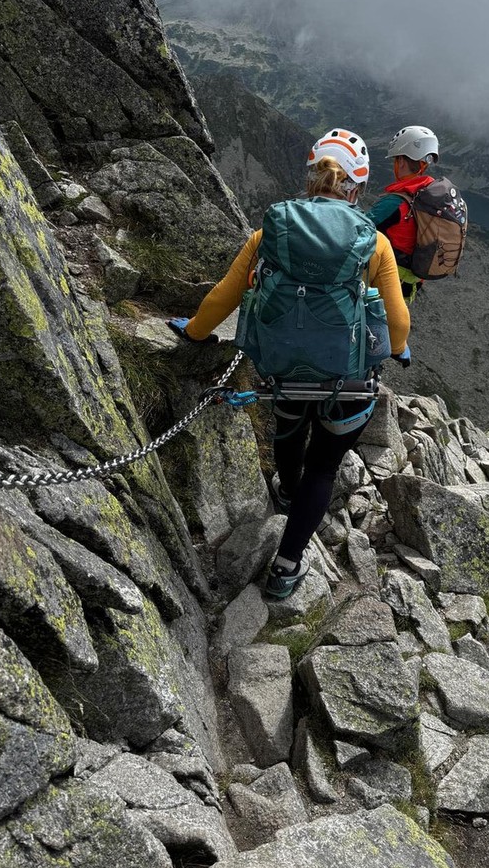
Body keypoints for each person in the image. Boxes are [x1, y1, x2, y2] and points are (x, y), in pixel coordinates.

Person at [169, 129, 410, 600]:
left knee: (290, 430)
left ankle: (283, 490)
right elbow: (398, 321)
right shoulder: (373, 243)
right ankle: (286, 567)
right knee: (324, 468)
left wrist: (195, 331)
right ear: (356, 187)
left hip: (283, 371)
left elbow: (226, 295)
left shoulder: (270, 232)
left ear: (311, 176)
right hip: (348, 381)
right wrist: (397, 348)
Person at [368, 125, 447, 304]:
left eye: (396, 159)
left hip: (385, 284)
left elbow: (357, 230)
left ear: (402, 161)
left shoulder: (395, 202)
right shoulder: (430, 195)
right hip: (410, 285)